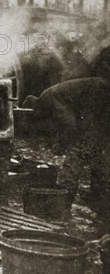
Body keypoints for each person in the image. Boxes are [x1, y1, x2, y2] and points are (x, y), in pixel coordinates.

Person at [24, 77, 110, 219]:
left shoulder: (48, 98)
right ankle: (101, 207)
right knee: (99, 156)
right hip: (101, 103)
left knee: (76, 155)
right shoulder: (54, 93)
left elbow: (69, 124)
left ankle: (62, 207)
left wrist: (62, 144)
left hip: (100, 99)